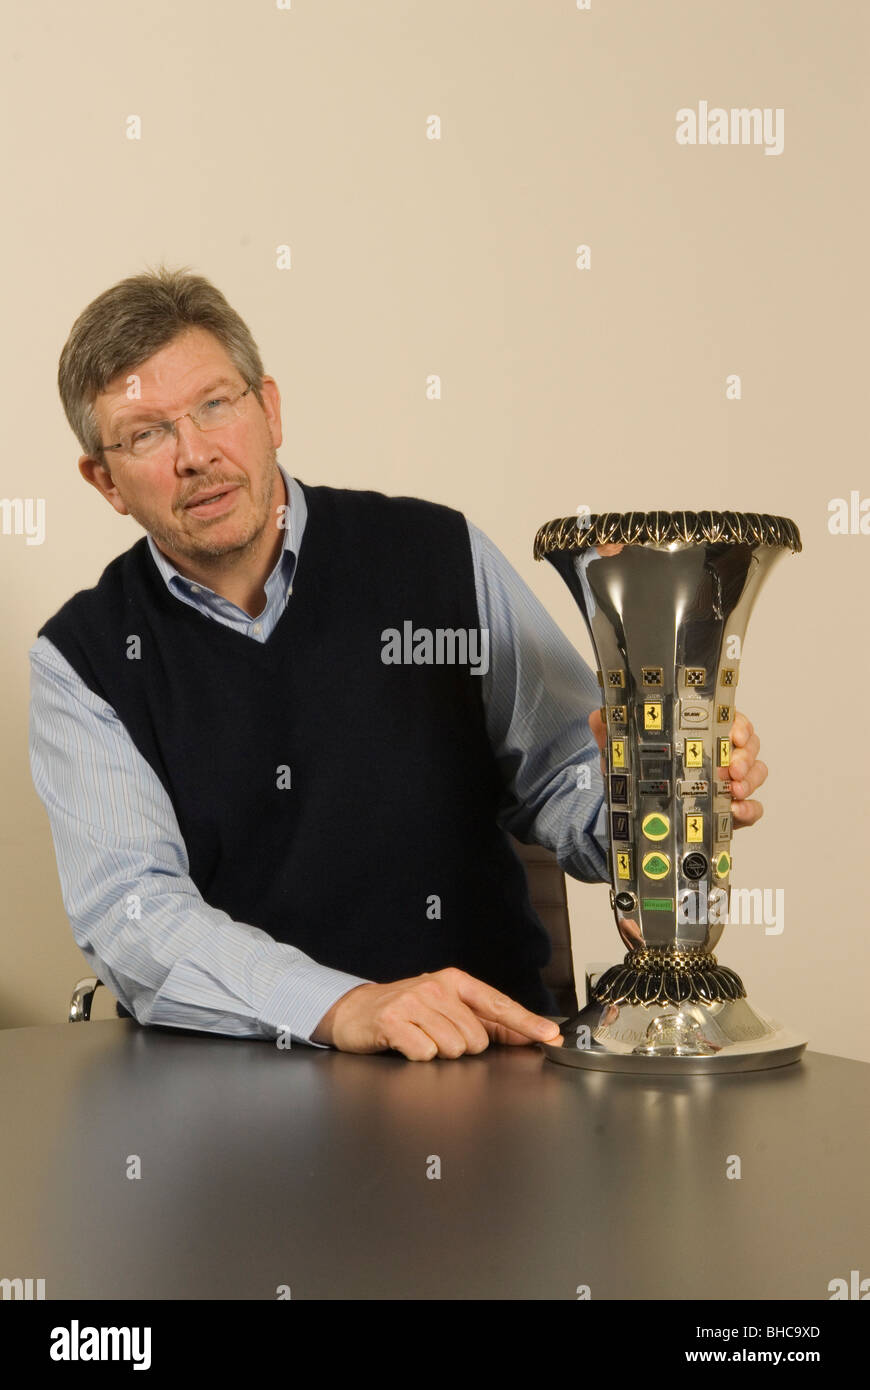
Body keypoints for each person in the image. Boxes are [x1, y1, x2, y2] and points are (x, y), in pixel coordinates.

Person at [29, 266, 769, 1062]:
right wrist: (343, 1005)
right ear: (104, 480)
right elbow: (133, 913)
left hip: (498, 1074)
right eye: (146, 433)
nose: (195, 455)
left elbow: (567, 777)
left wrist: (660, 793)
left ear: (268, 407)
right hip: (245, 1104)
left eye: (215, 405)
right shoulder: (81, 660)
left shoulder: (439, 555)